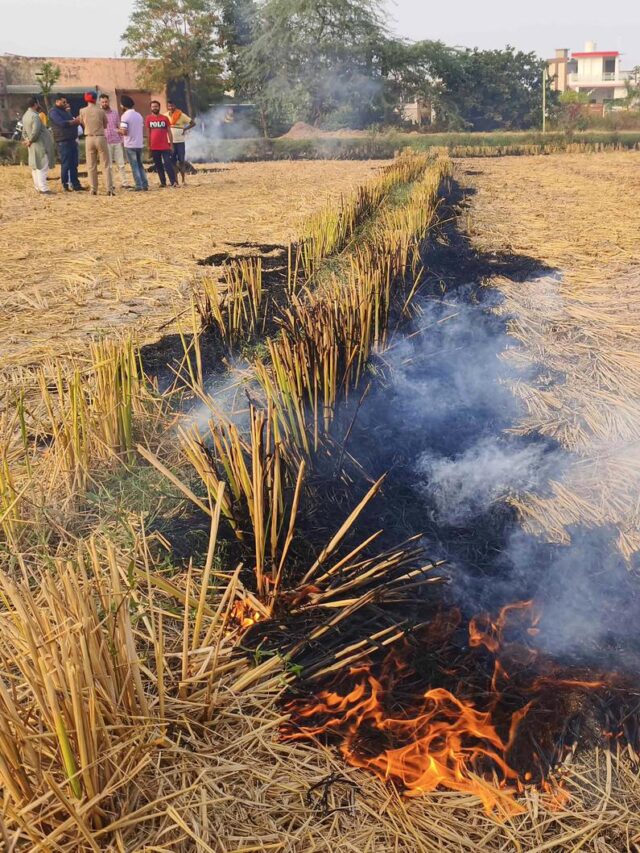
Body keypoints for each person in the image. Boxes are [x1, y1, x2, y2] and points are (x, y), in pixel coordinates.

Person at [79, 91, 114, 196]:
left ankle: (93, 189)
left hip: (89, 138)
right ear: (95, 99)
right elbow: (105, 125)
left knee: (91, 165)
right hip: (100, 137)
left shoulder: (82, 110)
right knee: (106, 164)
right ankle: (109, 189)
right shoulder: (101, 111)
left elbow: (82, 123)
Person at [48, 94, 84, 191]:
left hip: (71, 139)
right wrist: (74, 122)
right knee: (66, 164)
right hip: (63, 141)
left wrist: (75, 121)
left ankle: (75, 184)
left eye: (66, 102)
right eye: (63, 102)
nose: (65, 104)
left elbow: (70, 121)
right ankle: (65, 184)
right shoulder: (53, 112)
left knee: (74, 164)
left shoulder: (65, 111)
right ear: (57, 102)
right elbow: (62, 123)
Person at [22, 97, 55, 194]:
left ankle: (38, 187)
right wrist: (31, 140)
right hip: (40, 145)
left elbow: (24, 132)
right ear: (35, 104)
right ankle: (44, 189)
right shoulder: (35, 116)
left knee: (35, 167)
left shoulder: (25, 116)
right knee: (42, 166)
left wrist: (28, 140)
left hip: (32, 146)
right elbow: (35, 131)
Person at [99, 93, 129, 189]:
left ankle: (124, 183)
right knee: (109, 165)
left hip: (116, 141)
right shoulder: (99, 113)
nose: (104, 103)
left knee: (121, 164)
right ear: (100, 102)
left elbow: (118, 125)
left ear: (109, 102)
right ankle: (111, 184)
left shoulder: (115, 113)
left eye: (106, 101)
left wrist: (121, 138)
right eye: (102, 102)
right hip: (106, 141)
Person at [118, 95, 148, 192]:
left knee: (134, 166)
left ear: (123, 105)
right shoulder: (138, 115)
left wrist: (116, 130)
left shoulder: (125, 116)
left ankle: (138, 185)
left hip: (130, 145)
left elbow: (124, 132)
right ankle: (145, 184)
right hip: (139, 144)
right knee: (140, 165)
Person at [145, 100, 177, 188]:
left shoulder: (165, 118)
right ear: (151, 108)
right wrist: (149, 146)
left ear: (159, 107)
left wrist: (171, 144)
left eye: (156, 106)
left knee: (168, 164)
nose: (155, 108)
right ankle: (163, 182)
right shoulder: (148, 118)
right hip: (154, 147)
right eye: (153, 106)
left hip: (165, 146)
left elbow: (169, 132)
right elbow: (148, 133)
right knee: (158, 165)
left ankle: (173, 182)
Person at [167, 100, 195, 185]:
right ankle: (175, 181)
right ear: (167, 107)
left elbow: (193, 123)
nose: (171, 108)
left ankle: (183, 180)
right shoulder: (165, 115)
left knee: (181, 161)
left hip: (180, 141)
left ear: (175, 106)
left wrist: (185, 129)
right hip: (170, 142)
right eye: (169, 106)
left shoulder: (182, 115)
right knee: (172, 161)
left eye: (172, 106)